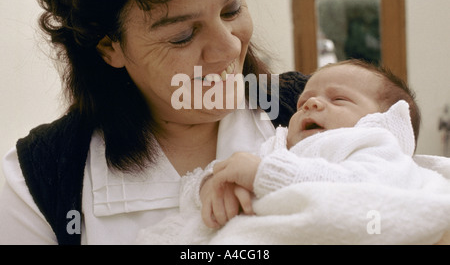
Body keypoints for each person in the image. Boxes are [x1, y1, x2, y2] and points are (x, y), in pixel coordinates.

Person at [0, 0, 308, 245]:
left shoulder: (317, 110)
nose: (229, 47)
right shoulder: (39, 179)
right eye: (182, 36)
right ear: (110, 46)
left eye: (232, 9)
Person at [136, 60, 450, 245]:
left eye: (338, 99)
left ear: (384, 121)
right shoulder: (278, 145)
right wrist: (210, 186)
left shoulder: (375, 144)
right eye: (304, 101)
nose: (311, 103)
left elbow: (361, 189)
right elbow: (226, 169)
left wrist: (265, 175)